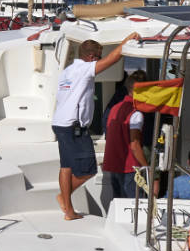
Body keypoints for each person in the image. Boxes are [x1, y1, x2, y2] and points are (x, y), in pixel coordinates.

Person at [54, 32, 138, 220]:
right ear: (91, 57)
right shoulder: (84, 69)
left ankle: (68, 209)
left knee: (66, 166)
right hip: (74, 127)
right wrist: (127, 41)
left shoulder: (67, 71)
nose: (98, 62)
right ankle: (64, 198)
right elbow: (113, 58)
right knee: (89, 170)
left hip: (60, 123)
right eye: (97, 58)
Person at [99, 75, 141, 207]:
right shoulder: (136, 113)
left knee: (119, 205)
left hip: (114, 164)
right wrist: (146, 166)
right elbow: (134, 145)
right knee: (132, 207)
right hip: (129, 166)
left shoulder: (114, 109)